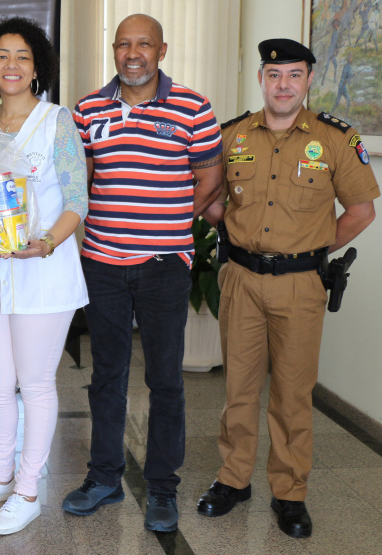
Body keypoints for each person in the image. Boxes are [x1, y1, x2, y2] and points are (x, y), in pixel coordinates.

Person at [197, 38, 378, 539]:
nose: (284, 84)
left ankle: (289, 492)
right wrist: (233, 232)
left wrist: (313, 247)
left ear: (308, 81)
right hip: (240, 279)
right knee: (238, 388)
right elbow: (207, 199)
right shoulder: (231, 135)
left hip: (300, 285)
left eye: (294, 75)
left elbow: (362, 210)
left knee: (294, 393)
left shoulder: (336, 140)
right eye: (275, 75)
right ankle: (233, 480)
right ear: (261, 78)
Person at [64, 13, 224, 532]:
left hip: (163, 269)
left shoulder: (194, 108)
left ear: (162, 49)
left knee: (165, 381)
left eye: (144, 45)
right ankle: (105, 477)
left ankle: (161, 487)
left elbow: (208, 183)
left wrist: (167, 225)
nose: (133, 54)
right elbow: (77, 185)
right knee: (106, 378)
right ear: (114, 50)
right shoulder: (87, 109)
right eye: (123, 44)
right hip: (103, 267)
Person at [0, 17, 88, 536]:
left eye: (23, 56)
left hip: (43, 271)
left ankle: (28, 489)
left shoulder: (57, 121)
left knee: (34, 384)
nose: (12, 65)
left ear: (38, 68)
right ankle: (1, 473)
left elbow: (78, 200)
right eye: (2, 55)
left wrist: (48, 241)